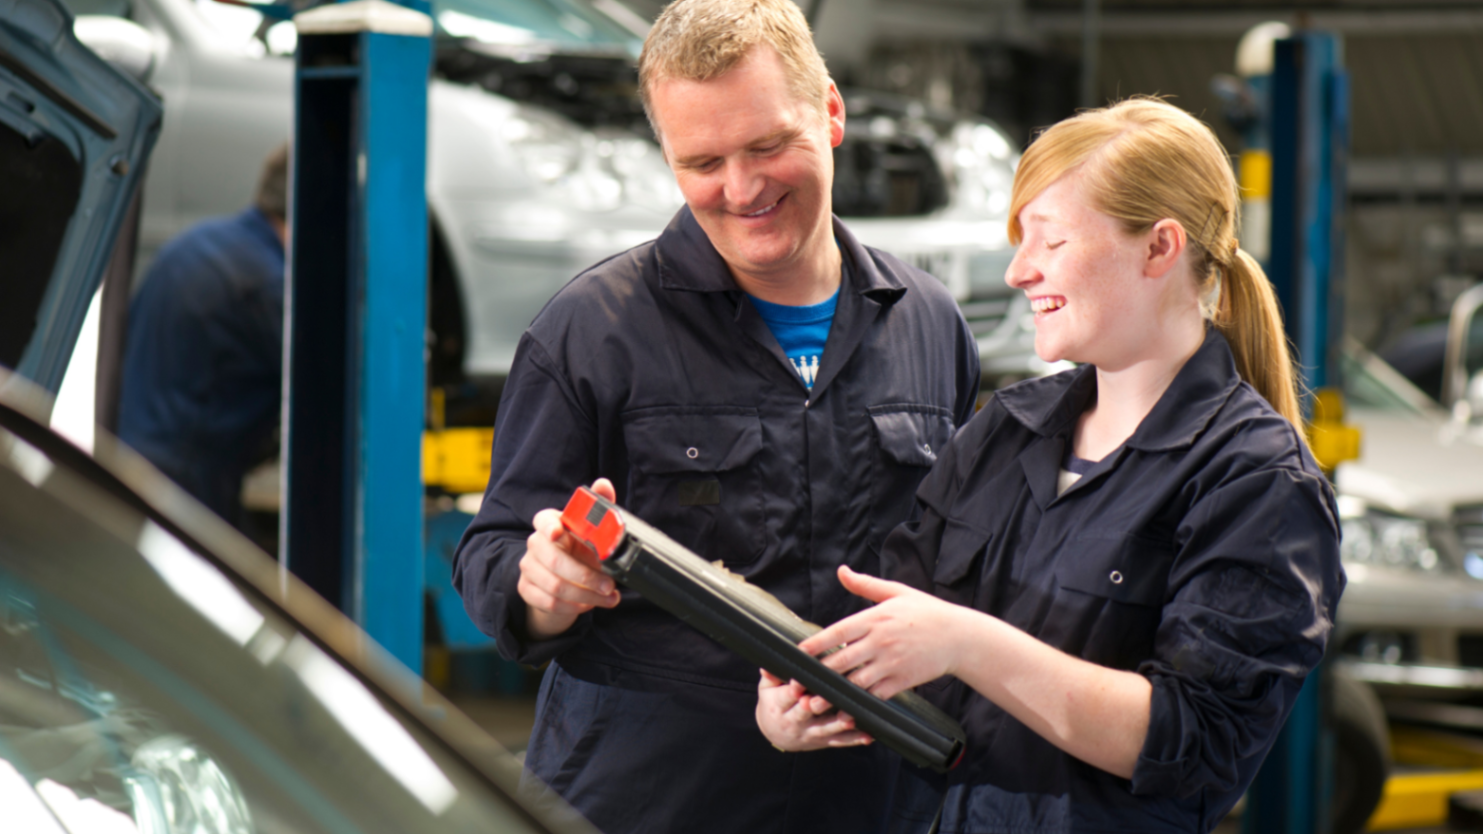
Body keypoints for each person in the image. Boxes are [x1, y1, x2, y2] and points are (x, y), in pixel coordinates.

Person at [450, 0, 980, 831]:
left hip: (873, 801)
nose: (742, 189)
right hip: (645, 801)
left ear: (831, 111)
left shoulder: (926, 321)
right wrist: (542, 585)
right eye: (702, 161)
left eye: (768, 146)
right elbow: (493, 549)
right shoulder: (592, 330)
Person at [757, 98, 1345, 834]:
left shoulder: (1254, 480)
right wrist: (808, 698)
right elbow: (898, 630)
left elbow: (1195, 742)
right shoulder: (1006, 430)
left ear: (1159, 248)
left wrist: (966, 642)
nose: (1016, 272)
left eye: (1050, 241)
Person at [117, 143, 288, 529]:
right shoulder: (265, 283)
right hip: (185, 490)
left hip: (130, 462)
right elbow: (325, 393)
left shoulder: (196, 243)